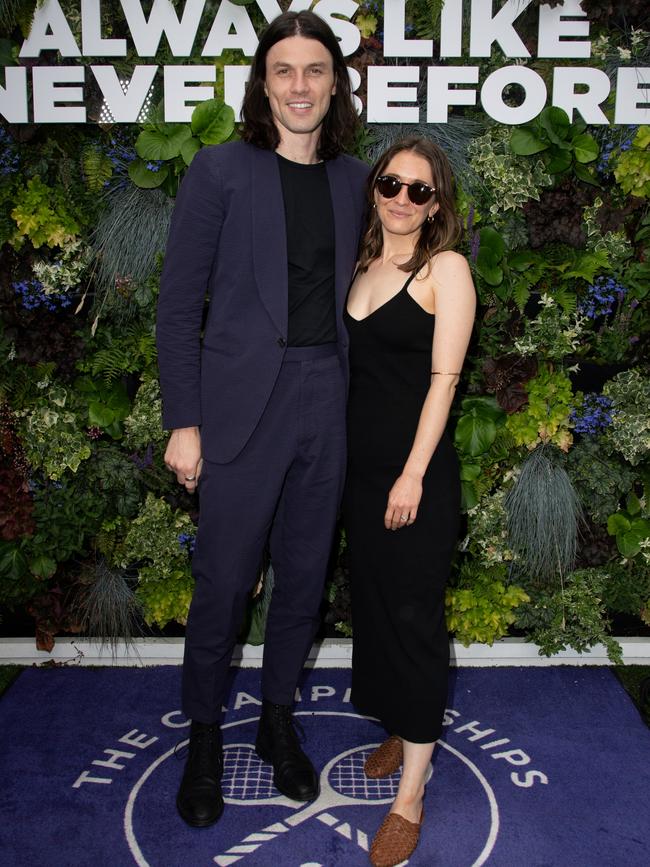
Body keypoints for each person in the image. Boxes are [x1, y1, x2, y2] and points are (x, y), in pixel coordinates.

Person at [156, 10, 368, 828]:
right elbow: (179, 308)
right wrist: (185, 420)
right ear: (263, 82)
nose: (301, 86)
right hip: (242, 407)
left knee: (304, 581)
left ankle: (276, 720)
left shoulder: (356, 180)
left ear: (334, 83)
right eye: (284, 70)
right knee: (221, 583)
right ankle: (205, 735)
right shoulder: (220, 170)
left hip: (328, 399)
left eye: (316, 70)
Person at [342, 136, 476, 867]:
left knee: (414, 618)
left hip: (413, 478)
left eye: (418, 190)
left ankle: (412, 795)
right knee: (374, 604)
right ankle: (401, 722)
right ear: (375, 189)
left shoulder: (444, 269)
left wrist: (413, 473)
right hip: (358, 478)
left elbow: (444, 380)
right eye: (390, 182)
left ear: (436, 205)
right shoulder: (361, 264)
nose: (401, 197)